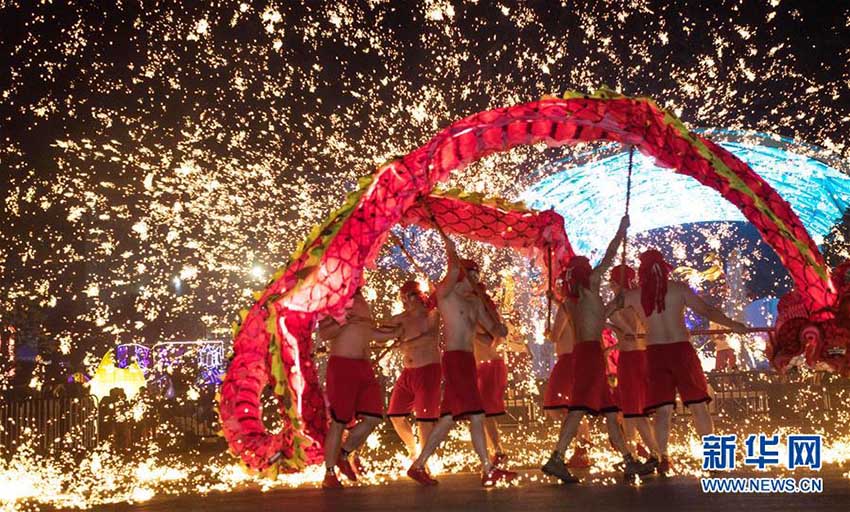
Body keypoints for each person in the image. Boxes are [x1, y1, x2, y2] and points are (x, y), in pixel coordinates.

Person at [615, 249, 748, 475]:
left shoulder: (635, 295)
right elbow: (707, 310)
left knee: (663, 411)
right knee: (698, 406)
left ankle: (663, 458)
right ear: (664, 267)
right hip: (680, 350)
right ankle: (712, 457)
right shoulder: (678, 289)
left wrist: (619, 322)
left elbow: (605, 311)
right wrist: (733, 324)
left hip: (655, 352)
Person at [541, 215, 652, 484]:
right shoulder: (590, 290)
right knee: (578, 408)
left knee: (611, 413)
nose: (595, 272)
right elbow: (610, 256)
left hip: (586, 353)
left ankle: (629, 461)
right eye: (590, 269)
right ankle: (556, 457)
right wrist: (621, 229)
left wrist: (614, 305)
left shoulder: (571, 301)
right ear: (586, 274)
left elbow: (595, 319)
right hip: (590, 354)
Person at [407, 223, 516, 487]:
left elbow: (492, 330)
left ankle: (418, 466)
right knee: (477, 414)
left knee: (447, 419)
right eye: (472, 276)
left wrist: (501, 330)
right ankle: (488, 469)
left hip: (468, 360)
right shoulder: (446, 296)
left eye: (478, 276)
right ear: (462, 276)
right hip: (454, 359)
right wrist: (449, 247)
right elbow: (453, 269)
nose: (476, 282)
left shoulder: (475, 302)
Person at [318, 289, 399, 489]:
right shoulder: (335, 299)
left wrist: (395, 333)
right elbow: (324, 333)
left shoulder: (362, 300)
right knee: (339, 421)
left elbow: (369, 333)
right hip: (342, 365)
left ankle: (343, 454)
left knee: (373, 418)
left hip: (364, 367)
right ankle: (329, 474)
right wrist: (342, 320)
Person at [606, 264, 661, 465]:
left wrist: (614, 326)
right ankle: (642, 455)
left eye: (612, 282)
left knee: (632, 411)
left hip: (630, 360)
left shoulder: (620, 303)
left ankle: (645, 455)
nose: (610, 286)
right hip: (640, 356)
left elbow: (617, 323)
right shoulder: (641, 300)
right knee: (633, 411)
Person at [383, 281, 442, 461]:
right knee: (395, 415)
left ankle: (424, 462)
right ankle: (413, 451)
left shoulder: (430, 314)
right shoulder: (399, 319)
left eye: (413, 295)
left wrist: (405, 344)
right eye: (405, 296)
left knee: (424, 420)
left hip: (427, 370)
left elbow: (431, 337)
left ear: (421, 295)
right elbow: (381, 336)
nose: (409, 299)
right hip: (408, 372)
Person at [543, 288, 593, 468]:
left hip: (567, 361)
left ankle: (580, 445)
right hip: (578, 359)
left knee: (559, 407)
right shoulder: (582, 308)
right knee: (573, 406)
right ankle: (582, 446)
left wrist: (548, 333)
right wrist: (556, 301)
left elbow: (555, 336)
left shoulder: (565, 308)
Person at [470, 267, 509, 467]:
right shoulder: (475, 305)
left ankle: (499, 452)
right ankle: (496, 451)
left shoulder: (485, 307)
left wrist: (471, 334)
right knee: (482, 414)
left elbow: (498, 338)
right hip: (481, 365)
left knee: (484, 413)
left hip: (490, 365)